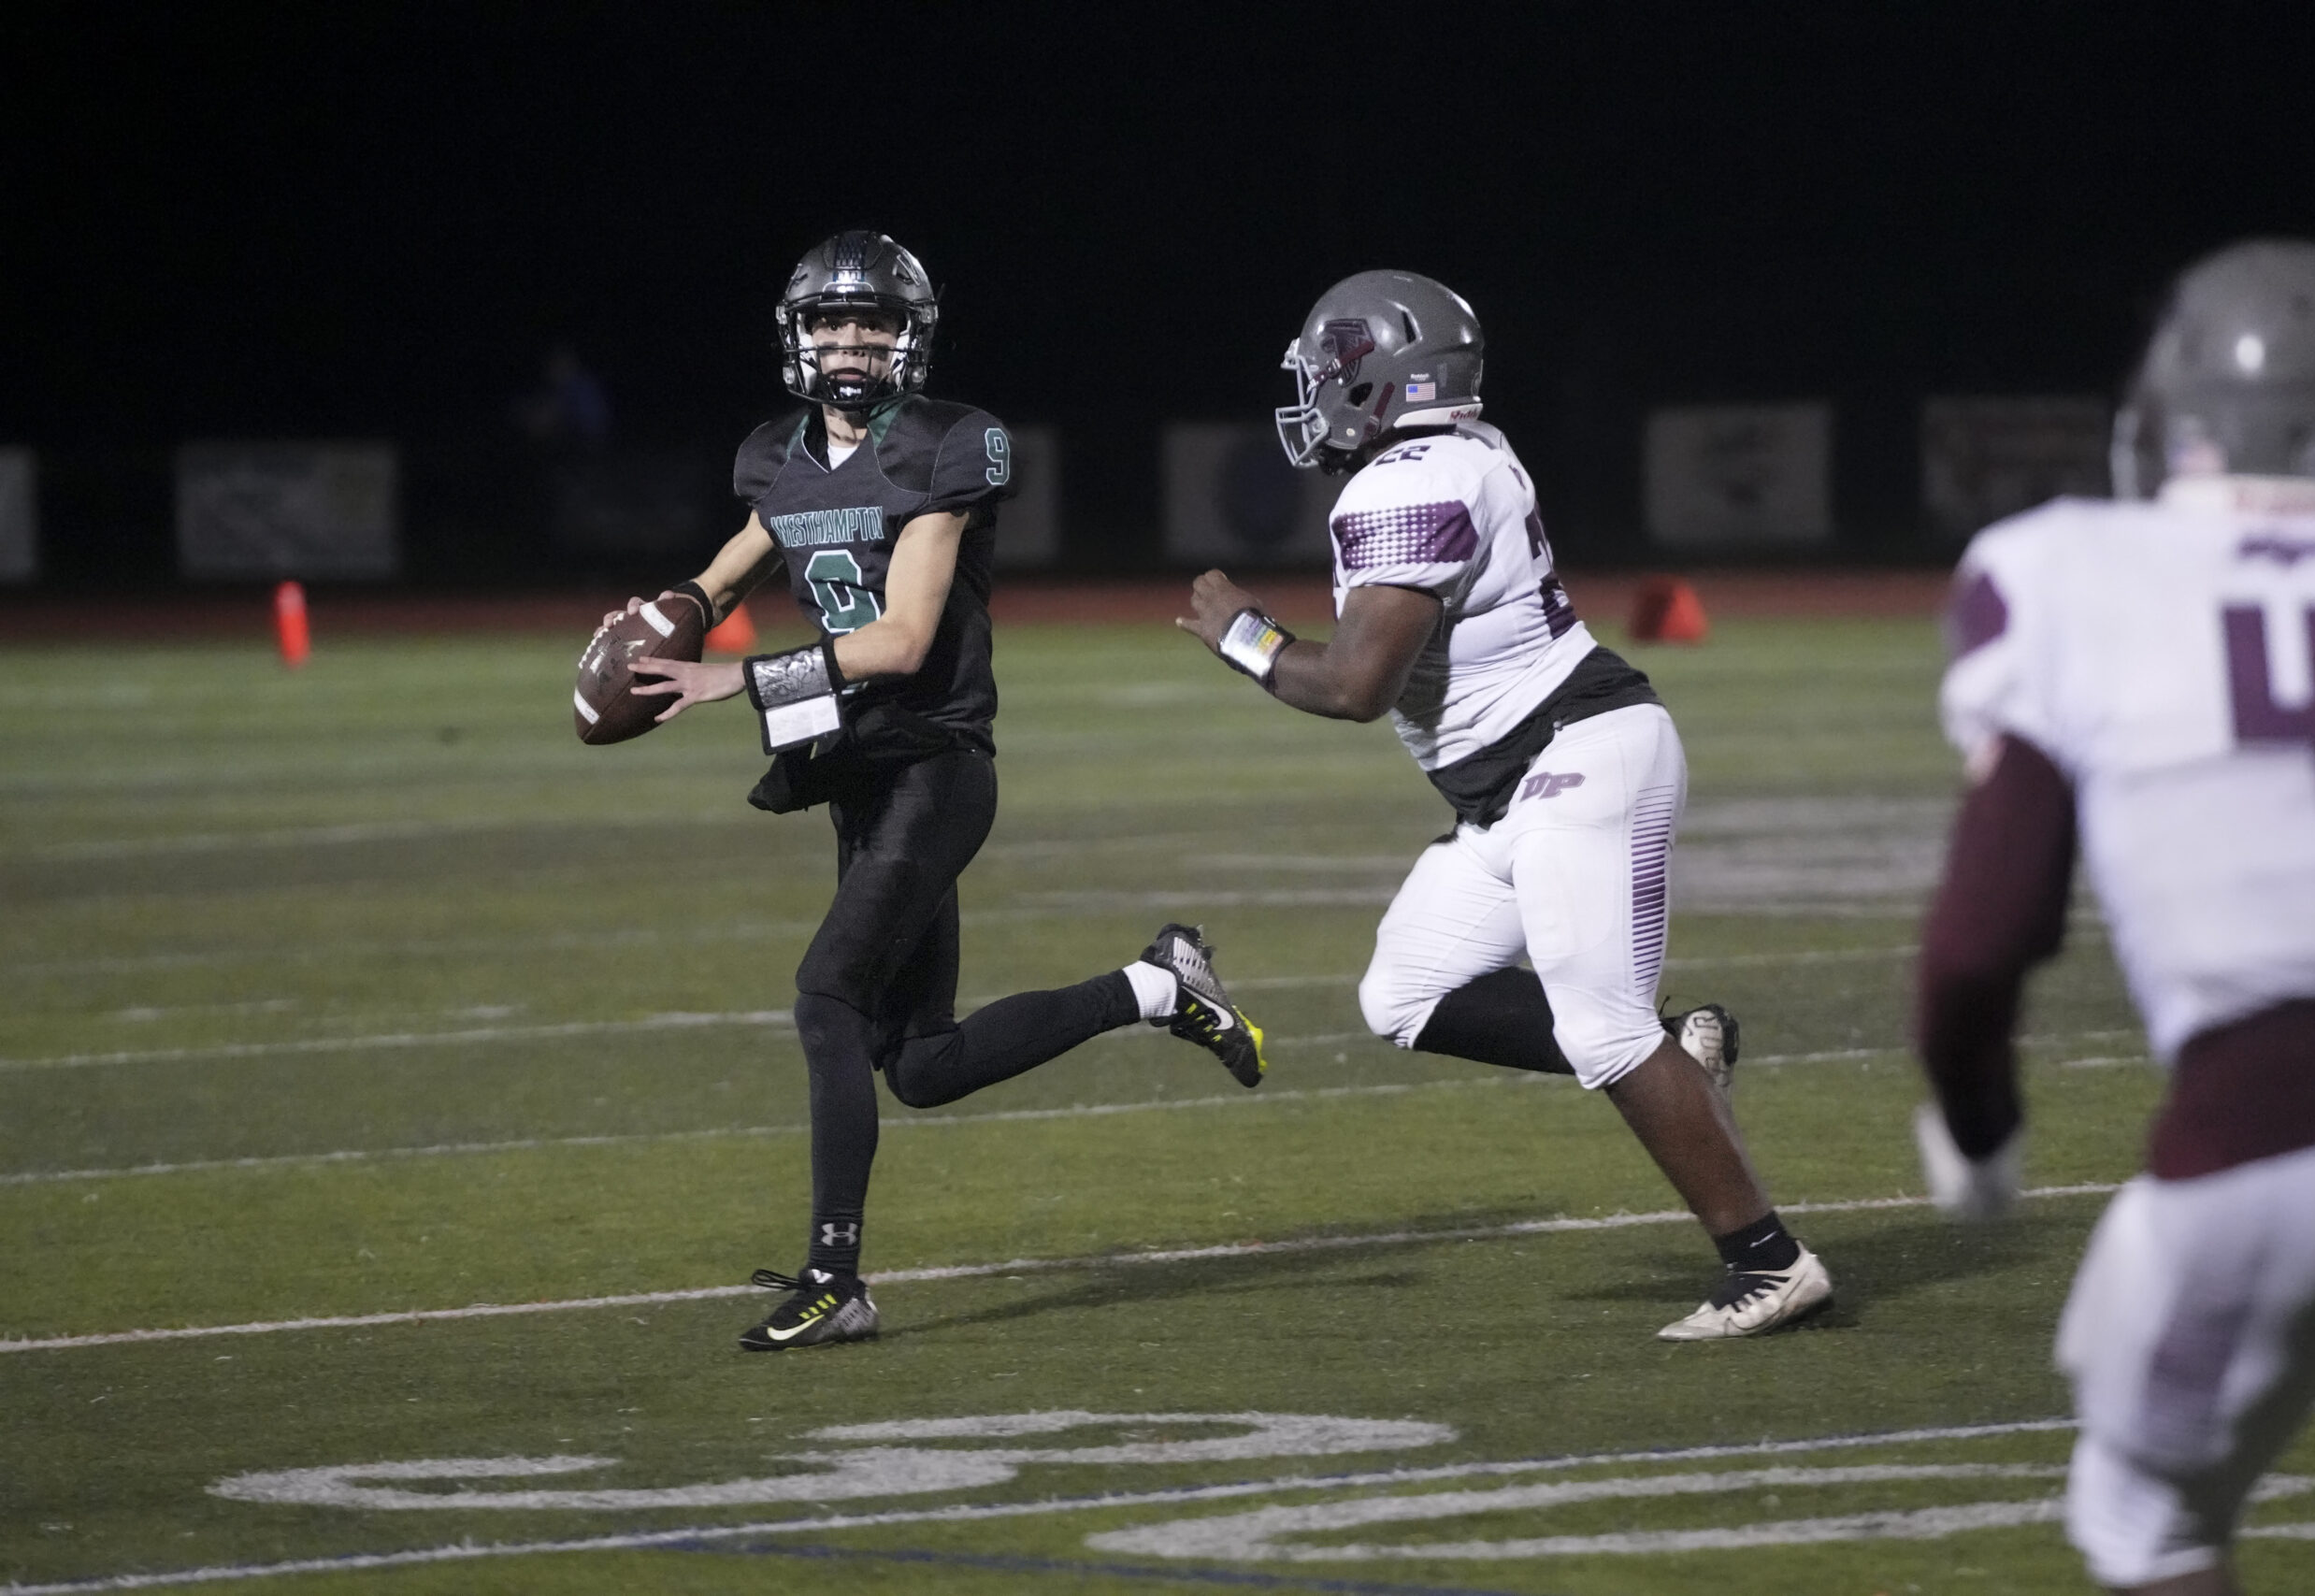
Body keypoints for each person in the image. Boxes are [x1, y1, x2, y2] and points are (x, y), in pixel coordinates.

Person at [616, 229, 1266, 1352]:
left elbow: (904, 638)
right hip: (858, 778)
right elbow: (741, 552)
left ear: (910, 337)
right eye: (830, 320)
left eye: (873, 320)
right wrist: (661, 613)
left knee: (825, 997)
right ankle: (1158, 988)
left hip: (936, 766)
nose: (851, 339)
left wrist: (739, 677)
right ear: (796, 335)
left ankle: (837, 1279)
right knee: (919, 1065)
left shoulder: (944, 447)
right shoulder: (774, 455)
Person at [1179, 269, 1832, 1340]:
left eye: (1334, 367)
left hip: (1572, 760)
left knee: (1602, 1029)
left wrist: (1243, 636)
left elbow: (1354, 687)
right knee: (1407, 991)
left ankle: (1768, 1261)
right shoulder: (1465, 450)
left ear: (1385, 379)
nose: (1315, 389)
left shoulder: (1408, 482)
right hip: (1513, 783)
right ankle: (1683, 1045)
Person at [1913, 237, 2315, 1592]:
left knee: (2148, 1518)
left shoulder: (2072, 570)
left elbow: (1978, 941)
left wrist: (1979, 1124)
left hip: (2274, 1124)